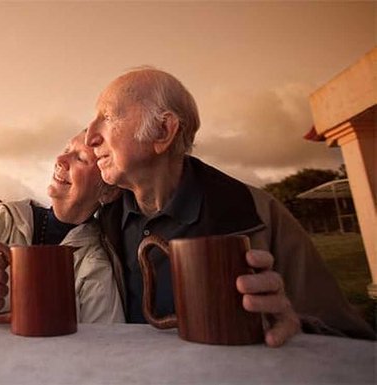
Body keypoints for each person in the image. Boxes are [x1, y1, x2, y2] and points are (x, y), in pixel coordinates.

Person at [84, 67, 375, 346]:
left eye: (108, 117)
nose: (90, 137)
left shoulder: (258, 212)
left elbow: (352, 341)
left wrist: (297, 328)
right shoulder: (102, 222)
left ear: (163, 131)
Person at [0, 131, 124, 324]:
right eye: (66, 149)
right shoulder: (7, 222)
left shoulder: (95, 264)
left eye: (80, 158)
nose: (61, 159)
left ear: (108, 192)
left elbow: (103, 345)